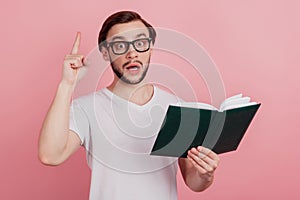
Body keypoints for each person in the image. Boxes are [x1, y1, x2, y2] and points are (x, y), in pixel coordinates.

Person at [38, 11, 220, 200]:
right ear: (106, 53)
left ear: (150, 48)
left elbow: (193, 182)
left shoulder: (178, 109)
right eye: (120, 45)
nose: (131, 53)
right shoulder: (86, 108)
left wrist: (205, 174)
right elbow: (51, 156)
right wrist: (67, 84)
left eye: (140, 43)